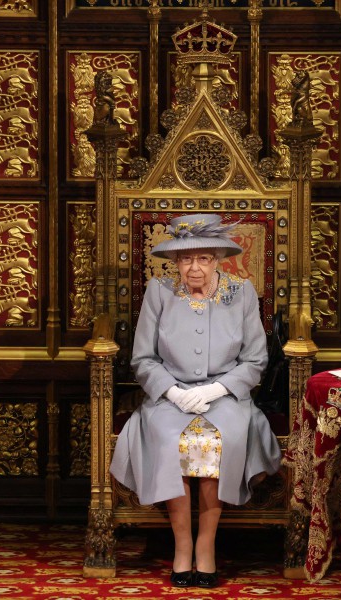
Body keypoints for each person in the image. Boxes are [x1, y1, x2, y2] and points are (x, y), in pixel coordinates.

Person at [110, 214, 282, 589]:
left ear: (218, 259)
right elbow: (142, 358)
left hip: (227, 398)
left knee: (217, 443)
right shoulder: (159, 291)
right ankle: (182, 545)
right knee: (171, 441)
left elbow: (255, 360)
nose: (194, 267)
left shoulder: (242, 293)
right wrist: (173, 392)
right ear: (175, 261)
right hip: (167, 398)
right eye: (186, 259)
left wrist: (215, 391)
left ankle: (206, 545)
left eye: (203, 259)